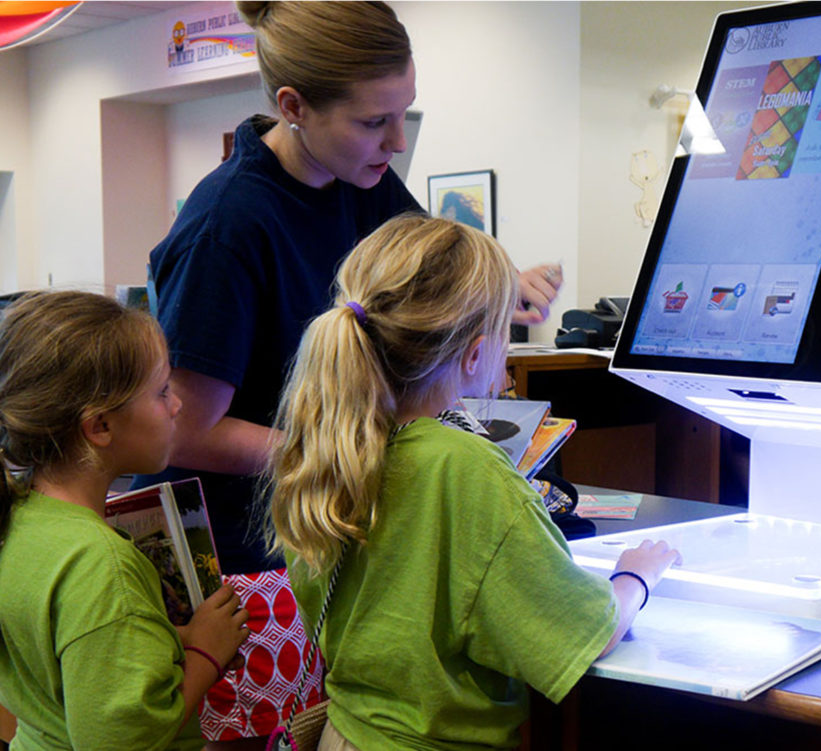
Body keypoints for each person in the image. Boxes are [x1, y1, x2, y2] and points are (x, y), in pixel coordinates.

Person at [139, 2, 563, 745]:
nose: (398, 145)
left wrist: (489, 299)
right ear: (293, 107)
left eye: (405, 116)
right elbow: (186, 431)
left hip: (333, 536)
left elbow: (420, 287)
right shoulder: (228, 225)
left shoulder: (364, 182)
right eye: (375, 123)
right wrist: (357, 452)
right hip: (251, 580)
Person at [267, 214, 681, 751]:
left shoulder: (335, 448)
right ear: (475, 353)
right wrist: (636, 577)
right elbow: (588, 631)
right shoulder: (465, 467)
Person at [0, 291, 250, 750]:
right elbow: (122, 740)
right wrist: (203, 654)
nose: (176, 407)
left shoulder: (19, 517)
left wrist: (173, 639)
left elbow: (73, 655)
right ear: (100, 427)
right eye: (161, 392)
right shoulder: (101, 564)